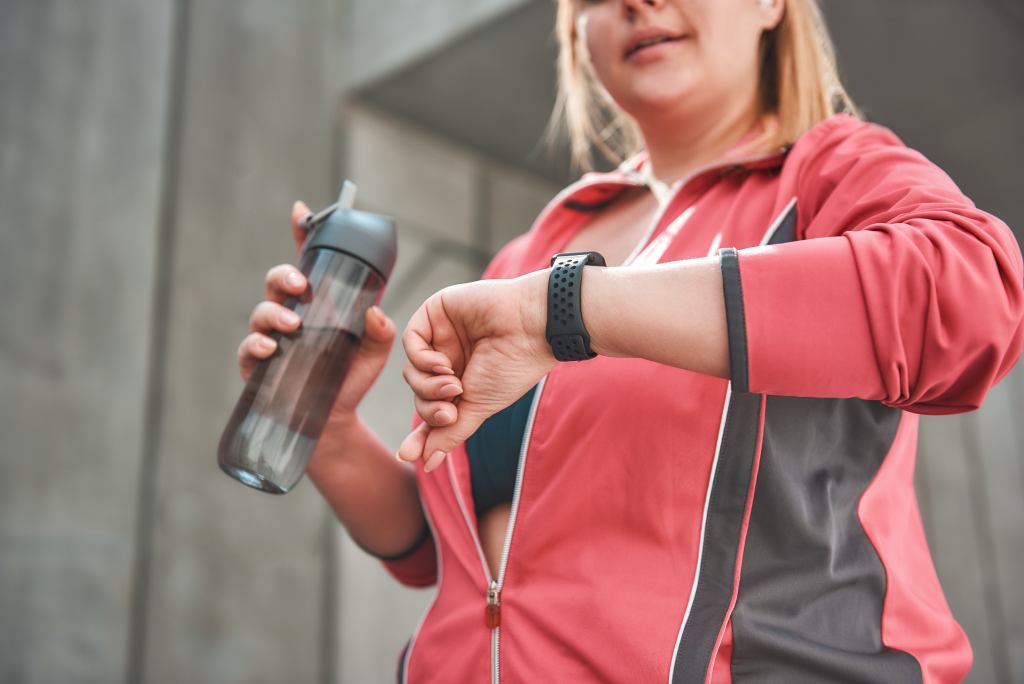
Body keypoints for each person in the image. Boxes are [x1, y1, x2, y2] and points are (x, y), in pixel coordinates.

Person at [239, 0, 1024, 681]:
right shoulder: (531, 253)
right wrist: (334, 430)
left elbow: (974, 298)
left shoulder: (829, 171)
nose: (637, 4)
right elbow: (454, 559)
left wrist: (576, 308)